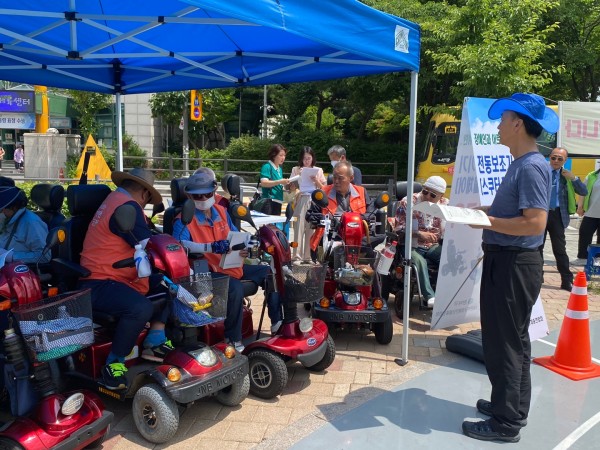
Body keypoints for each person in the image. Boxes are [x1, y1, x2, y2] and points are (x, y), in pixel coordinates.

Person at [462, 93, 557, 443]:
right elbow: (515, 212)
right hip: (510, 262)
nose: (498, 126)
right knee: (513, 341)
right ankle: (513, 408)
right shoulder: (523, 164)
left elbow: (533, 224)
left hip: (514, 264)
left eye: (503, 120)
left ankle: (505, 423)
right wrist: (483, 213)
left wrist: (487, 222)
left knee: (505, 344)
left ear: (518, 124)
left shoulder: (531, 166)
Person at [79, 168, 171, 390]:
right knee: (140, 308)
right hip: (99, 281)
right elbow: (148, 243)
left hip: (116, 276)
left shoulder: (114, 200)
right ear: (144, 193)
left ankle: (154, 340)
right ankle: (114, 364)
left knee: (167, 285)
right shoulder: (127, 207)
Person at [173, 169, 283, 350]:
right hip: (205, 271)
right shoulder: (183, 219)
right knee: (234, 287)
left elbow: (235, 235)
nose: (202, 199)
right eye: (197, 196)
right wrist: (210, 247)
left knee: (271, 272)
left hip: (230, 264)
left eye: (206, 194)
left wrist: (245, 247)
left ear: (214, 191)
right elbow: (178, 245)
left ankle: (277, 322)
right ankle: (232, 340)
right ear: (188, 195)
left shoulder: (222, 211)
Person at [393, 176, 449, 308]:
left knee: (448, 257)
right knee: (419, 262)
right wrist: (418, 234)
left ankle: (446, 294)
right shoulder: (407, 202)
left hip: (433, 245)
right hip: (410, 245)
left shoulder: (446, 205)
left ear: (441, 196)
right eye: (425, 192)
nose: (428, 196)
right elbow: (398, 228)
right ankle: (429, 296)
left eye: (433, 195)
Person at [541, 147, 587, 291]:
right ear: (549, 158)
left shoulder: (566, 175)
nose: (555, 161)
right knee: (537, 247)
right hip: (540, 214)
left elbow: (583, 191)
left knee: (559, 249)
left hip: (558, 215)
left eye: (559, 159)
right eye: (553, 157)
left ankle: (566, 280)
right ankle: (537, 276)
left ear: (565, 161)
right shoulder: (542, 171)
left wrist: (573, 178)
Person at [289, 147, 326, 263]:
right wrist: (298, 177)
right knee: (298, 227)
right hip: (302, 198)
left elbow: (324, 188)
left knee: (311, 228)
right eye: (304, 159)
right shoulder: (296, 169)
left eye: (309, 158)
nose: (306, 161)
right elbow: (291, 187)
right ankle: (296, 256)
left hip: (314, 200)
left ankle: (308, 256)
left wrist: (316, 180)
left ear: (312, 159)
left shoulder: (318, 170)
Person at [0, 187, 49, 264]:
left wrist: (11, 256)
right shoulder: (8, 219)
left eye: (2, 210)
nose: (1, 212)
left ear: (14, 207)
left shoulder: (31, 223)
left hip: (20, 271)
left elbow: (44, 256)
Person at [575, 167, 600, 264]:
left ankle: (597, 260)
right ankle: (582, 258)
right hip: (591, 212)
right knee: (585, 233)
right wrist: (580, 206)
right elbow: (583, 192)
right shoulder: (592, 175)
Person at [259, 144, 290, 216]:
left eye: (284, 155)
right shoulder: (267, 166)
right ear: (274, 155)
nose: (283, 158)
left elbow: (278, 185)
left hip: (278, 200)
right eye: (281, 155)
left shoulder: (279, 168)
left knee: (274, 226)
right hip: (269, 201)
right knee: (268, 226)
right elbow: (264, 183)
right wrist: (280, 181)